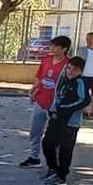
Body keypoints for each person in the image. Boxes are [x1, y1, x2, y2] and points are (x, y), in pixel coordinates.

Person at [19, 36, 71, 168]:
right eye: (52, 45)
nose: (52, 48)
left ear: (64, 49)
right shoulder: (46, 59)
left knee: (54, 136)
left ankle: (56, 164)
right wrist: (32, 90)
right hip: (40, 100)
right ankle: (34, 157)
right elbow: (39, 77)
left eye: (55, 46)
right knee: (34, 130)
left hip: (55, 105)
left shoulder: (68, 65)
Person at [41, 56, 91, 185]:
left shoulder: (80, 82)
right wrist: (53, 111)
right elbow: (58, 98)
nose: (71, 71)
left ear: (81, 71)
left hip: (70, 123)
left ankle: (61, 177)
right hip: (57, 120)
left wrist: (65, 108)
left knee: (65, 150)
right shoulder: (65, 82)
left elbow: (84, 100)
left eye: (75, 69)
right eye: (69, 68)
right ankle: (53, 168)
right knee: (47, 143)